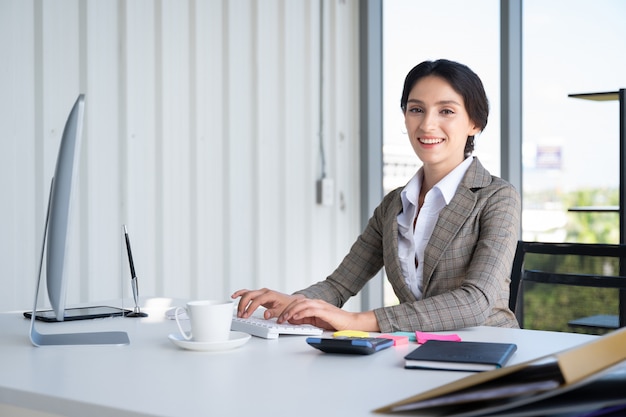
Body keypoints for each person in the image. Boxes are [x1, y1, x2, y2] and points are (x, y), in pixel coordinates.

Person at [232, 59, 521, 333]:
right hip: (417, 351)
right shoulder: (394, 205)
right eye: (416, 109)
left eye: (446, 111)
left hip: (487, 347)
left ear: (475, 124)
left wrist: (358, 320)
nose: (427, 125)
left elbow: (474, 302)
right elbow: (339, 286)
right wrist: (295, 303)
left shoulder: (497, 197)